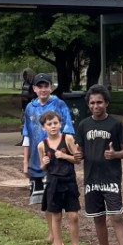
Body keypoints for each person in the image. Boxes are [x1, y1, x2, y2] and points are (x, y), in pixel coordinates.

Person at [72, 85, 123, 245]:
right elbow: (81, 152)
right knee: (98, 218)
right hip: (91, 179)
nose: (96, 106)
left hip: (111, 179)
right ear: (88, 105)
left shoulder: (115, 124)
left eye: (99, 102)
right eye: (92, 103)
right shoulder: (84, 125)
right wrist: (77, 155)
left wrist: (115, 153)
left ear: (106, 103)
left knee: (117, 217)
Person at [21, 73, 73, 232]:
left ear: (51, 87)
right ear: (34, 88)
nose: (43, 89)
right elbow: (27, 135)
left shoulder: (59, 104)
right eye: (40, 86)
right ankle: (51, 233)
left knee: (55, 198)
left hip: (57, 162)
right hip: (37, 162)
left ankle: (57, 234)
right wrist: (25, 162)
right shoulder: (30, 107)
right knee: (45, 199)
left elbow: (69, 131)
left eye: (46, 86)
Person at [36, 110, 87, 245]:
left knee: (73, 216)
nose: (53, 126)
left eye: (55, 123)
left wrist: (64, 155)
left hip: (69, 181)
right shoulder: (42, 146)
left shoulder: (68, 139)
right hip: (53, 183)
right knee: (56, 216)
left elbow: (77, 159)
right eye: (49, 124)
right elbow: (42, 167)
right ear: (43, 127)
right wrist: (44, 163)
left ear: (60, 124)